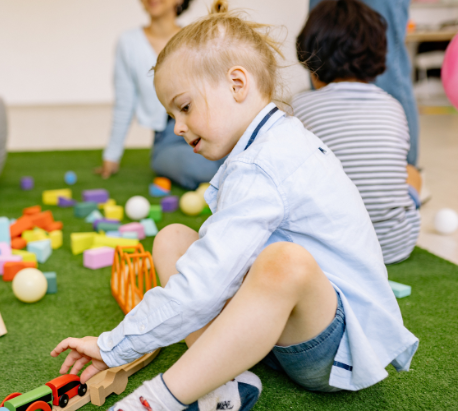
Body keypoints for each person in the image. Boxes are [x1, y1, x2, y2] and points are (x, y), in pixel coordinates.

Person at [51, 2, 418, 410]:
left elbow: (204, 285)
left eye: (184, 107)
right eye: (172, 114)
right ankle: (222, 384)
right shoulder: (262, 146)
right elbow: (213, 270)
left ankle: (159, 399)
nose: (178, 127)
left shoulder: (264, 161)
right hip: (277, 332)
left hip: (330, 347)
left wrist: (113, 345)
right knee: (173, 238)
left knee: (285, 262)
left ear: (237, 84)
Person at [293, 0, 421, 264]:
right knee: (412, 172)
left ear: (310, 60)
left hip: (328, 249)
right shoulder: (393, 106)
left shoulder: (300, 107)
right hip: (395, 244)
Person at [97, 0, 227, 190]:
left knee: (236, 154)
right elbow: (124, 103)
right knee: (201, 167)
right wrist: (112, 155)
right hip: (167, 139)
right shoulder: (128, 42)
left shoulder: (196, 38)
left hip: (209, 129)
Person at [309, 0, 419, 167]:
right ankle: (405, 168)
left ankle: (405, 165)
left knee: (320, 46)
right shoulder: (393, 108)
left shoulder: (298, 108)